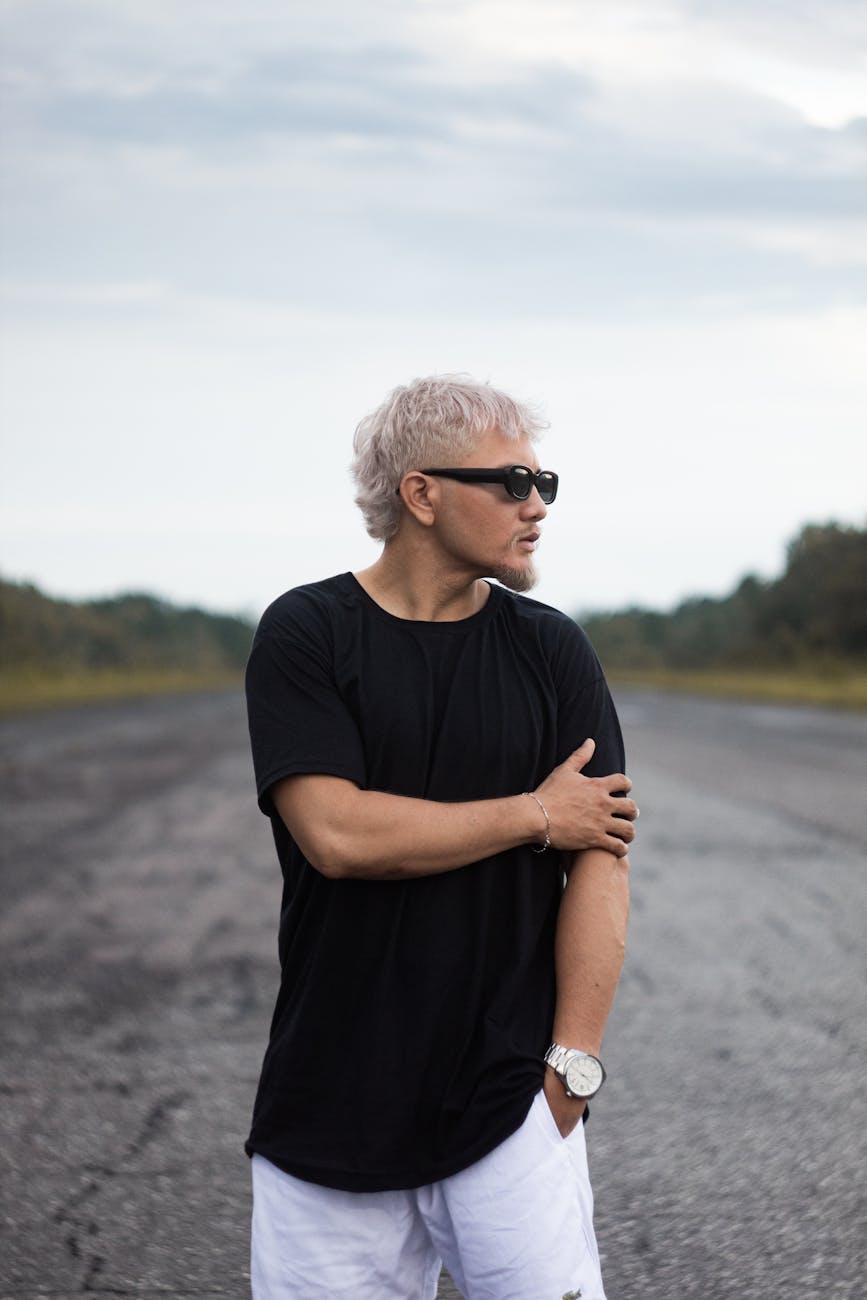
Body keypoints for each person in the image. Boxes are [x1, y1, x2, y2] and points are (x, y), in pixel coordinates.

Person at [244, 375, 637, 1300]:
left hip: (511, 1106)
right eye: (510, 481)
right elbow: (335, 833)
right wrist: (536, 814)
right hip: (330, 1099)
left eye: (545, 483)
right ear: (419, 493)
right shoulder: (307, 633)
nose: (535, 505)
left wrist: (569, 1073)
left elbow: (601, 867)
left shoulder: (551, 651)